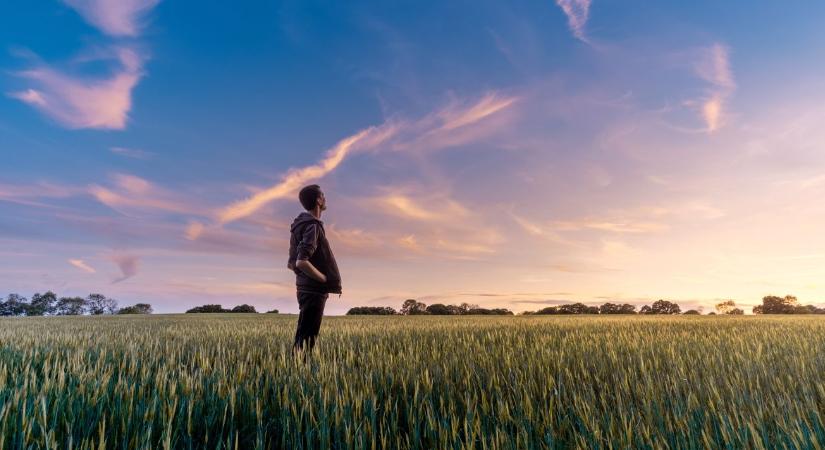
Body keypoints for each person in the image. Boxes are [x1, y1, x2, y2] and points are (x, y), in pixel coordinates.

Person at [287, 184, 342, 362]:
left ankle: (294, 371)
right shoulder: (312, 226)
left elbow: (291, 263)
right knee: (308, 338)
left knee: (303, 334)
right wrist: (323, 279)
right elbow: (301, 261)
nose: (325, 198)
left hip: (303, 288)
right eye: (323, 196)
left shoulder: (298, 226)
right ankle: (299, 374)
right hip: (313, 289)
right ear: (318, 200)